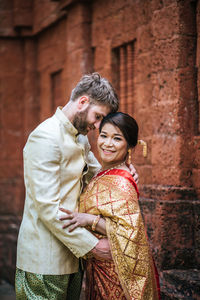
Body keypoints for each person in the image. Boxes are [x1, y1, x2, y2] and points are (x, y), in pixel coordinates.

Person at [15, 73, 122, 300]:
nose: (96, 125)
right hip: (43, 260)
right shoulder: (45, 137)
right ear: (83, 102)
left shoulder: (80, 139)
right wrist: (94, 246)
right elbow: (48, 208)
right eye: (97, 116)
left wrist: (125, 174)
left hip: (73, 256)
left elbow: (99, 177)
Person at [60, 112, 161, 299]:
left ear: (129, 145)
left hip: (116, 275)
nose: (107, 143)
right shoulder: (105, 172)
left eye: (117, 138)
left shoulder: (121, 183)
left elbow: (128, 233)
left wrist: (88, 220)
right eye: (104, 135)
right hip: (97, 268)